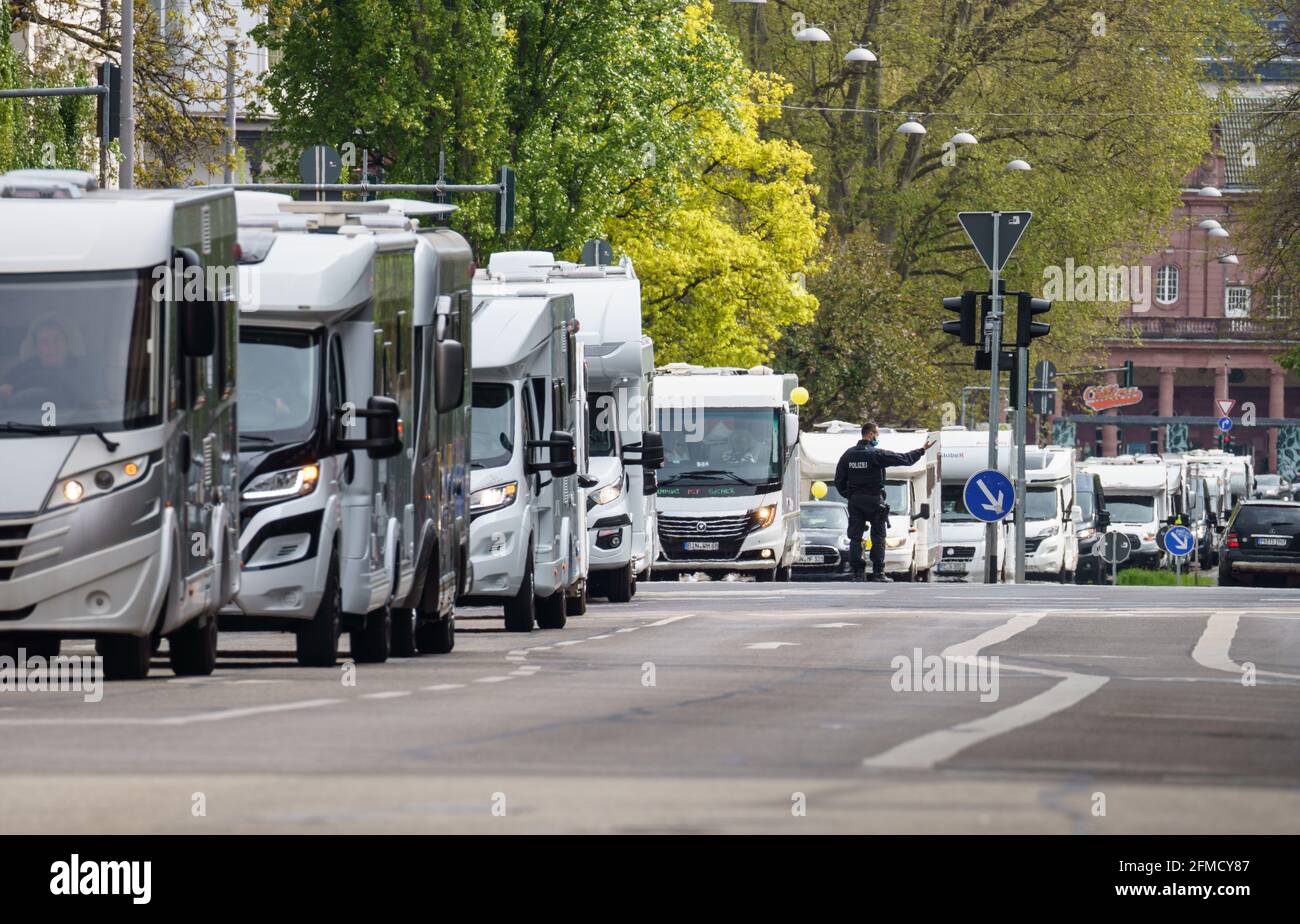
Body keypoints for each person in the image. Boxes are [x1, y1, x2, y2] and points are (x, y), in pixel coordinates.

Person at [834, 422, 935, 582]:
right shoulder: (875, 454)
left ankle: (857, 573)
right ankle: (878, 573)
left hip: (855, 501)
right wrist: (921, 450)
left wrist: (850, 496)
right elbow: (904, 459)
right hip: (874, 500)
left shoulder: (848, 455)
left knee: (855, 538)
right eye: (877, 434)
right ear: (870, 434)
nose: (877, 438)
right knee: (878, 537)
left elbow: (838, 480)